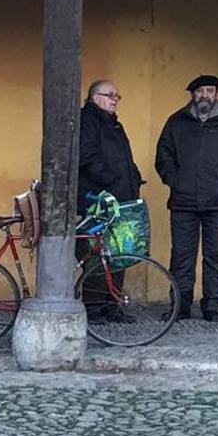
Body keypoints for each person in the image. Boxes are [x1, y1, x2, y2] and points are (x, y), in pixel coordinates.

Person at [155, 75, 218, 322]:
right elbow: (163, 157)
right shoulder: (176, 122)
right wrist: (175, 181)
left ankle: (213, 307)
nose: (205, 95)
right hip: (183, 202)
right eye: (200, 91)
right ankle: (180, 306)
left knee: (217, 256)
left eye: (210, 91)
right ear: (192, 94)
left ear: (216, 94)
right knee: (181, 257)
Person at [78, 79, 145, 321]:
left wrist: (134, 178)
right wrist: (110, 179)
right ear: (95, 98)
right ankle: (94, 308)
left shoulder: (113, 124)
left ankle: (112, 305)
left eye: (117, 95)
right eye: (110, 95)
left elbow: (124, 157)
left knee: (118, 252)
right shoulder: (87, 120)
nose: (115, 99)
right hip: (100, 199)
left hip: (120, 198)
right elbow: (85, 156)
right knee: (98, 254)